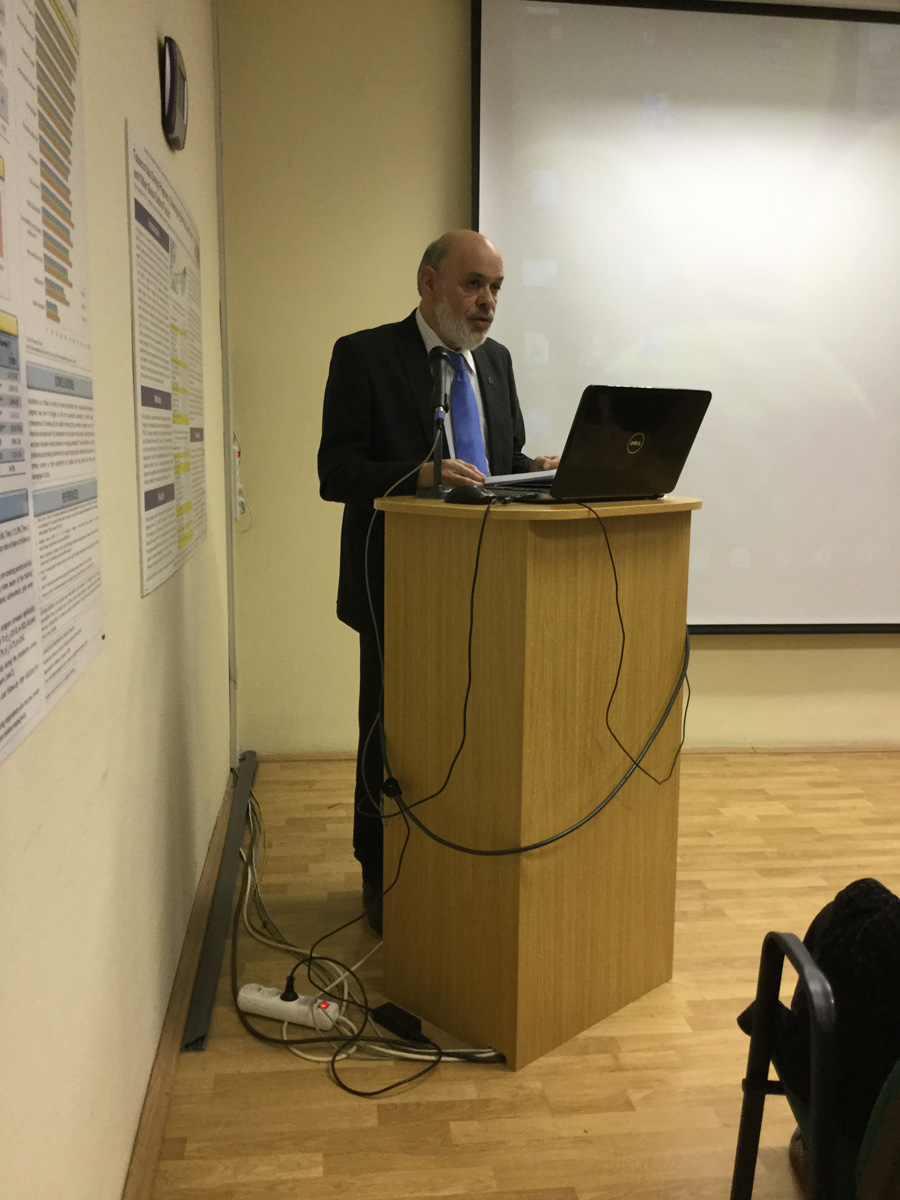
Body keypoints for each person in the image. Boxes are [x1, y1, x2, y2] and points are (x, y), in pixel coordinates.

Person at [317, 230, 558, 934]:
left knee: (478, 725)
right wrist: (422, 474)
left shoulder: (497, 361)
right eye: (473, 284)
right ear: (429, 284)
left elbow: (497, 457)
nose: (487, 302)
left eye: (496, 288)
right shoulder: (364, 355)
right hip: (397, 583)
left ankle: (463, 861)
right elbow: (337, 472)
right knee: (390, 731)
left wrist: (533, 466)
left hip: (493, 580)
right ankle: (380, 873)